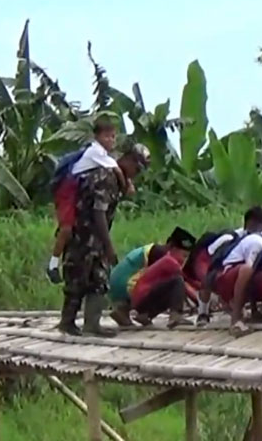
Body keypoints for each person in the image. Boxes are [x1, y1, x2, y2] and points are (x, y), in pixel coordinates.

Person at [58, 135, 149, 336]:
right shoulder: (106, 177)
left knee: (99, 280)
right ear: (128, 159)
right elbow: (98, 212)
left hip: (95, 238)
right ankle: (67, 322)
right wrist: (108, 246)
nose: (136, 173)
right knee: (77, 279)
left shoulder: (115, 177)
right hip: (83, 236)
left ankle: (92, 324)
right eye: (137, 168)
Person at [47, 120, 124, 284]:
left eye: (113, 137)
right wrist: (126, 187)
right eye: (107, 137)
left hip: (77, 189)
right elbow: (117, 170)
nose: (111, 140)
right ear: (97, 137)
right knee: (67, 229)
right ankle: (52, 264)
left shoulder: (102, 155)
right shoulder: (94, 152)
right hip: (68, 189)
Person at [207, 210, 262, 335]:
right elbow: (248, 271)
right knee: (247, 270)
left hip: (240, 276)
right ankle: (236, 320)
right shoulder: (257, 241)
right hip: (226, 278)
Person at [194, 206, 262, 324]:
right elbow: (214, 256)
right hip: (207, 258)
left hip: (227, 263)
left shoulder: (256, 238)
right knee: (207, 282)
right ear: (250, 223)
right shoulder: (230, 237)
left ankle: (232, 306)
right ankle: (202, 314)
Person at [109, 227, 196, 327]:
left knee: (163, 286)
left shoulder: (154, 250)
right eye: (184, 255)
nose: (183, 260)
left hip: (116, 281)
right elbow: (180, 281)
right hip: (125, 283)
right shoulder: (162, 254)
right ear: (172, 247)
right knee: (174, 283)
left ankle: (129, 311)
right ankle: (173, 315)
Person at [184, 206, 262, 291]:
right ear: (250, 223)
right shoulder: (230, 237)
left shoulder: (258, 240)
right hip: (206, 266)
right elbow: (206, 256)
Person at [130, 244, 193, 327]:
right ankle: (175, 316)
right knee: (178, 280)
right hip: (144, 296)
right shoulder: (169, 261)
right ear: (174, 250)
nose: (184, 260)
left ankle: (145, 315)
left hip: (140, 301)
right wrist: (201, 303)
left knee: (172, 294)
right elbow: (185, 283)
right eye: (184, 256)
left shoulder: (166, 260)